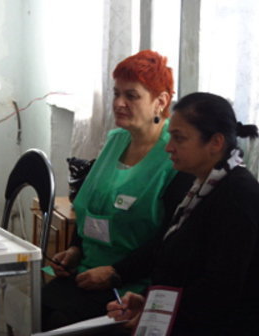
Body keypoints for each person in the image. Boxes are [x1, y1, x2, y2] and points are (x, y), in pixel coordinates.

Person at [40, 50, 193, 330]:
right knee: (36, 309)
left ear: (160, 101)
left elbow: (168, 241)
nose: (119, 104)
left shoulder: (175, 156)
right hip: (87, 270)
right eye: (116, 93)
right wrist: (75, 249)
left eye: (132, 96)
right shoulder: (115, 140)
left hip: (133, 283)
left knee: (62, 323)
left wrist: (115, 273)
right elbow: (93, 207)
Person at [107, 92, 259, 335]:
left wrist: (156, 313)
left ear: (215, 143)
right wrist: (146, 302)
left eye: (179, 138)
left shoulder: (238, 196)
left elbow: (219, 291)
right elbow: (174, 258)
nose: (169, 147)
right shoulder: (201, 184)